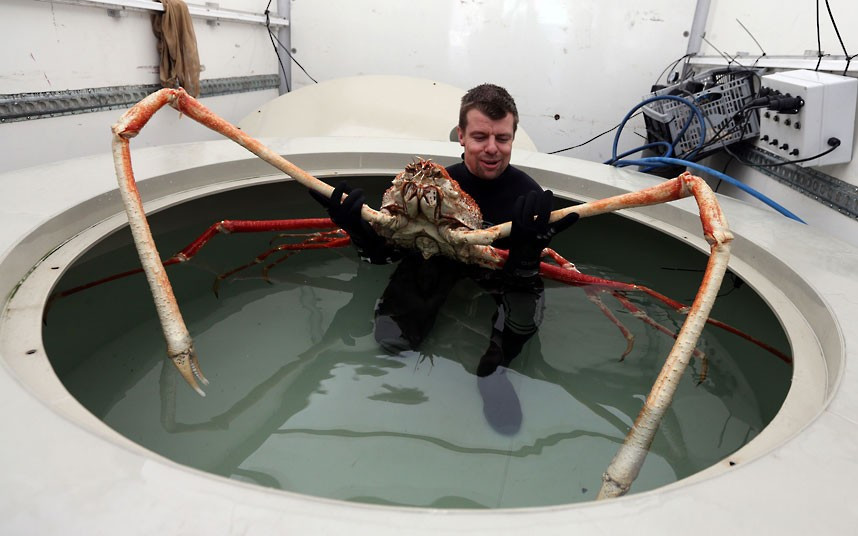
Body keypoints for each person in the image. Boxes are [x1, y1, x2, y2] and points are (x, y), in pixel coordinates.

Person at [310, 84, 578, 434]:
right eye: (480, 137)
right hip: (437, 258)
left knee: (522, 304)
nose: (492, 148)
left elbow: (523, 279)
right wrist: (358, 229)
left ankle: (495, 370)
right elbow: (388, 253)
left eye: (502, 138)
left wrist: (527, 254)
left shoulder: (525, 196)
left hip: (499, 272)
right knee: (391, 338)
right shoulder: (435, 185)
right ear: (461, 136)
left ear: (512, 137)